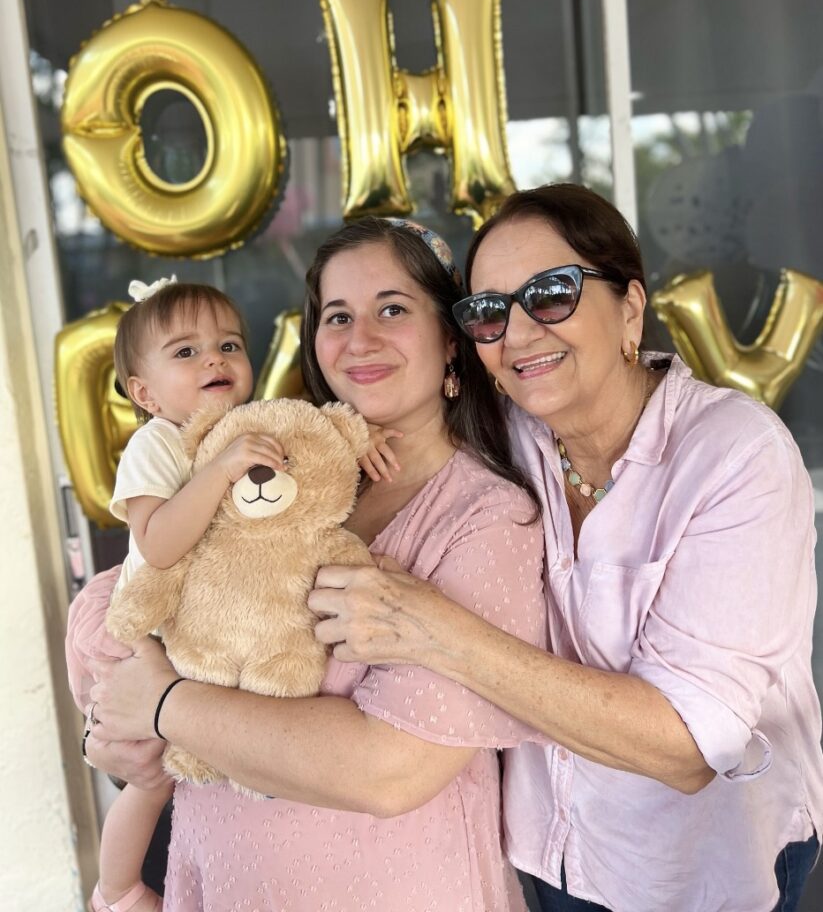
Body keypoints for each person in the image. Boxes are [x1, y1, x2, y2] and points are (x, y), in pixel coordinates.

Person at [307, 185, 823, 912]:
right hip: (543, 854)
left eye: (550, 294)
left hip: (700, 866)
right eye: (488, 312)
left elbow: (686, 745)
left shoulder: (734, 456)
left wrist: (436, 632)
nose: (516, 333)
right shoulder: (507, 438)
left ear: (630, 310)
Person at [68, 218, 548, 911]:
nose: (361, 339)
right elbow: (133, 596)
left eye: (392, 308)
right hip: (224, 876)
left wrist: (166, 705)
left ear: (450, 338)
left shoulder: (486, 518)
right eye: (337, 316)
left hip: (384, 887)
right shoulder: (289, 466)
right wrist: (111, 724)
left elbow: (389, 769)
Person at [85, 276, 287, 912]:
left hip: (211, 630)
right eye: (186, 352)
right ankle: (115, 888)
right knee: (150, 773)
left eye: (229, 345)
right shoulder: (157, 444)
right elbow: (158, 540)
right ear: (143, 394)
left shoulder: (249, 426)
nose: (214, 360)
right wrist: (223, 468)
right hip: (154, 631)